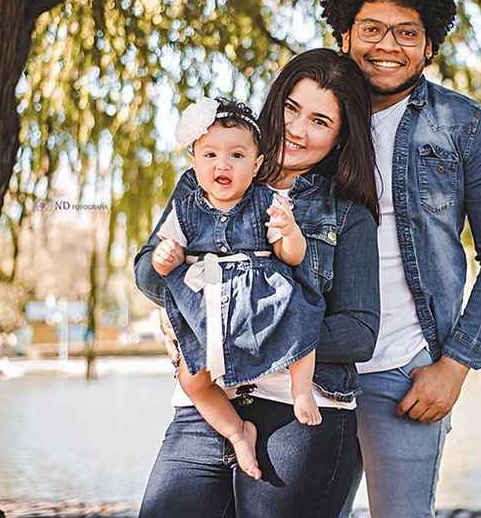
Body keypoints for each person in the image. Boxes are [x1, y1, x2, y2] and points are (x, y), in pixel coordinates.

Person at [321, 0, 481, 516]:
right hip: (310, 367)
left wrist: (455, 366)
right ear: (345, 34)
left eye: (407, 32)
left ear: (430, 44)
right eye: (372, 29)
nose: (387, 46)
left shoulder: (464, 128)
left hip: (406, 374)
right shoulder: (310, 118)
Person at [135, 48, 380, 517]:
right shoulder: (204, 180)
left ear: (340, 138)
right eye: (291, 108)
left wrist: (243, 334)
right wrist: (173, 298)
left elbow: (359, 333)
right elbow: (148, 276)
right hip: (206, 407)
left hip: (302, 410)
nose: (297, 129)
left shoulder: (347, 215)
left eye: (320, 121)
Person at [151, 98, 326, 481]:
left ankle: (301, 389)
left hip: (262, 294)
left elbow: (292, 257)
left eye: (236, 154)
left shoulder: (269, 202)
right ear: (194, 161)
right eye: (210, 154)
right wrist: (166, 258)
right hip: (208, 306)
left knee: (299, 321)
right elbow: (160, 262)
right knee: (190, 377)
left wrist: (290, 231)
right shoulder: (185, 209)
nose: (222, 164)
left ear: (257, 163)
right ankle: (236, 431)